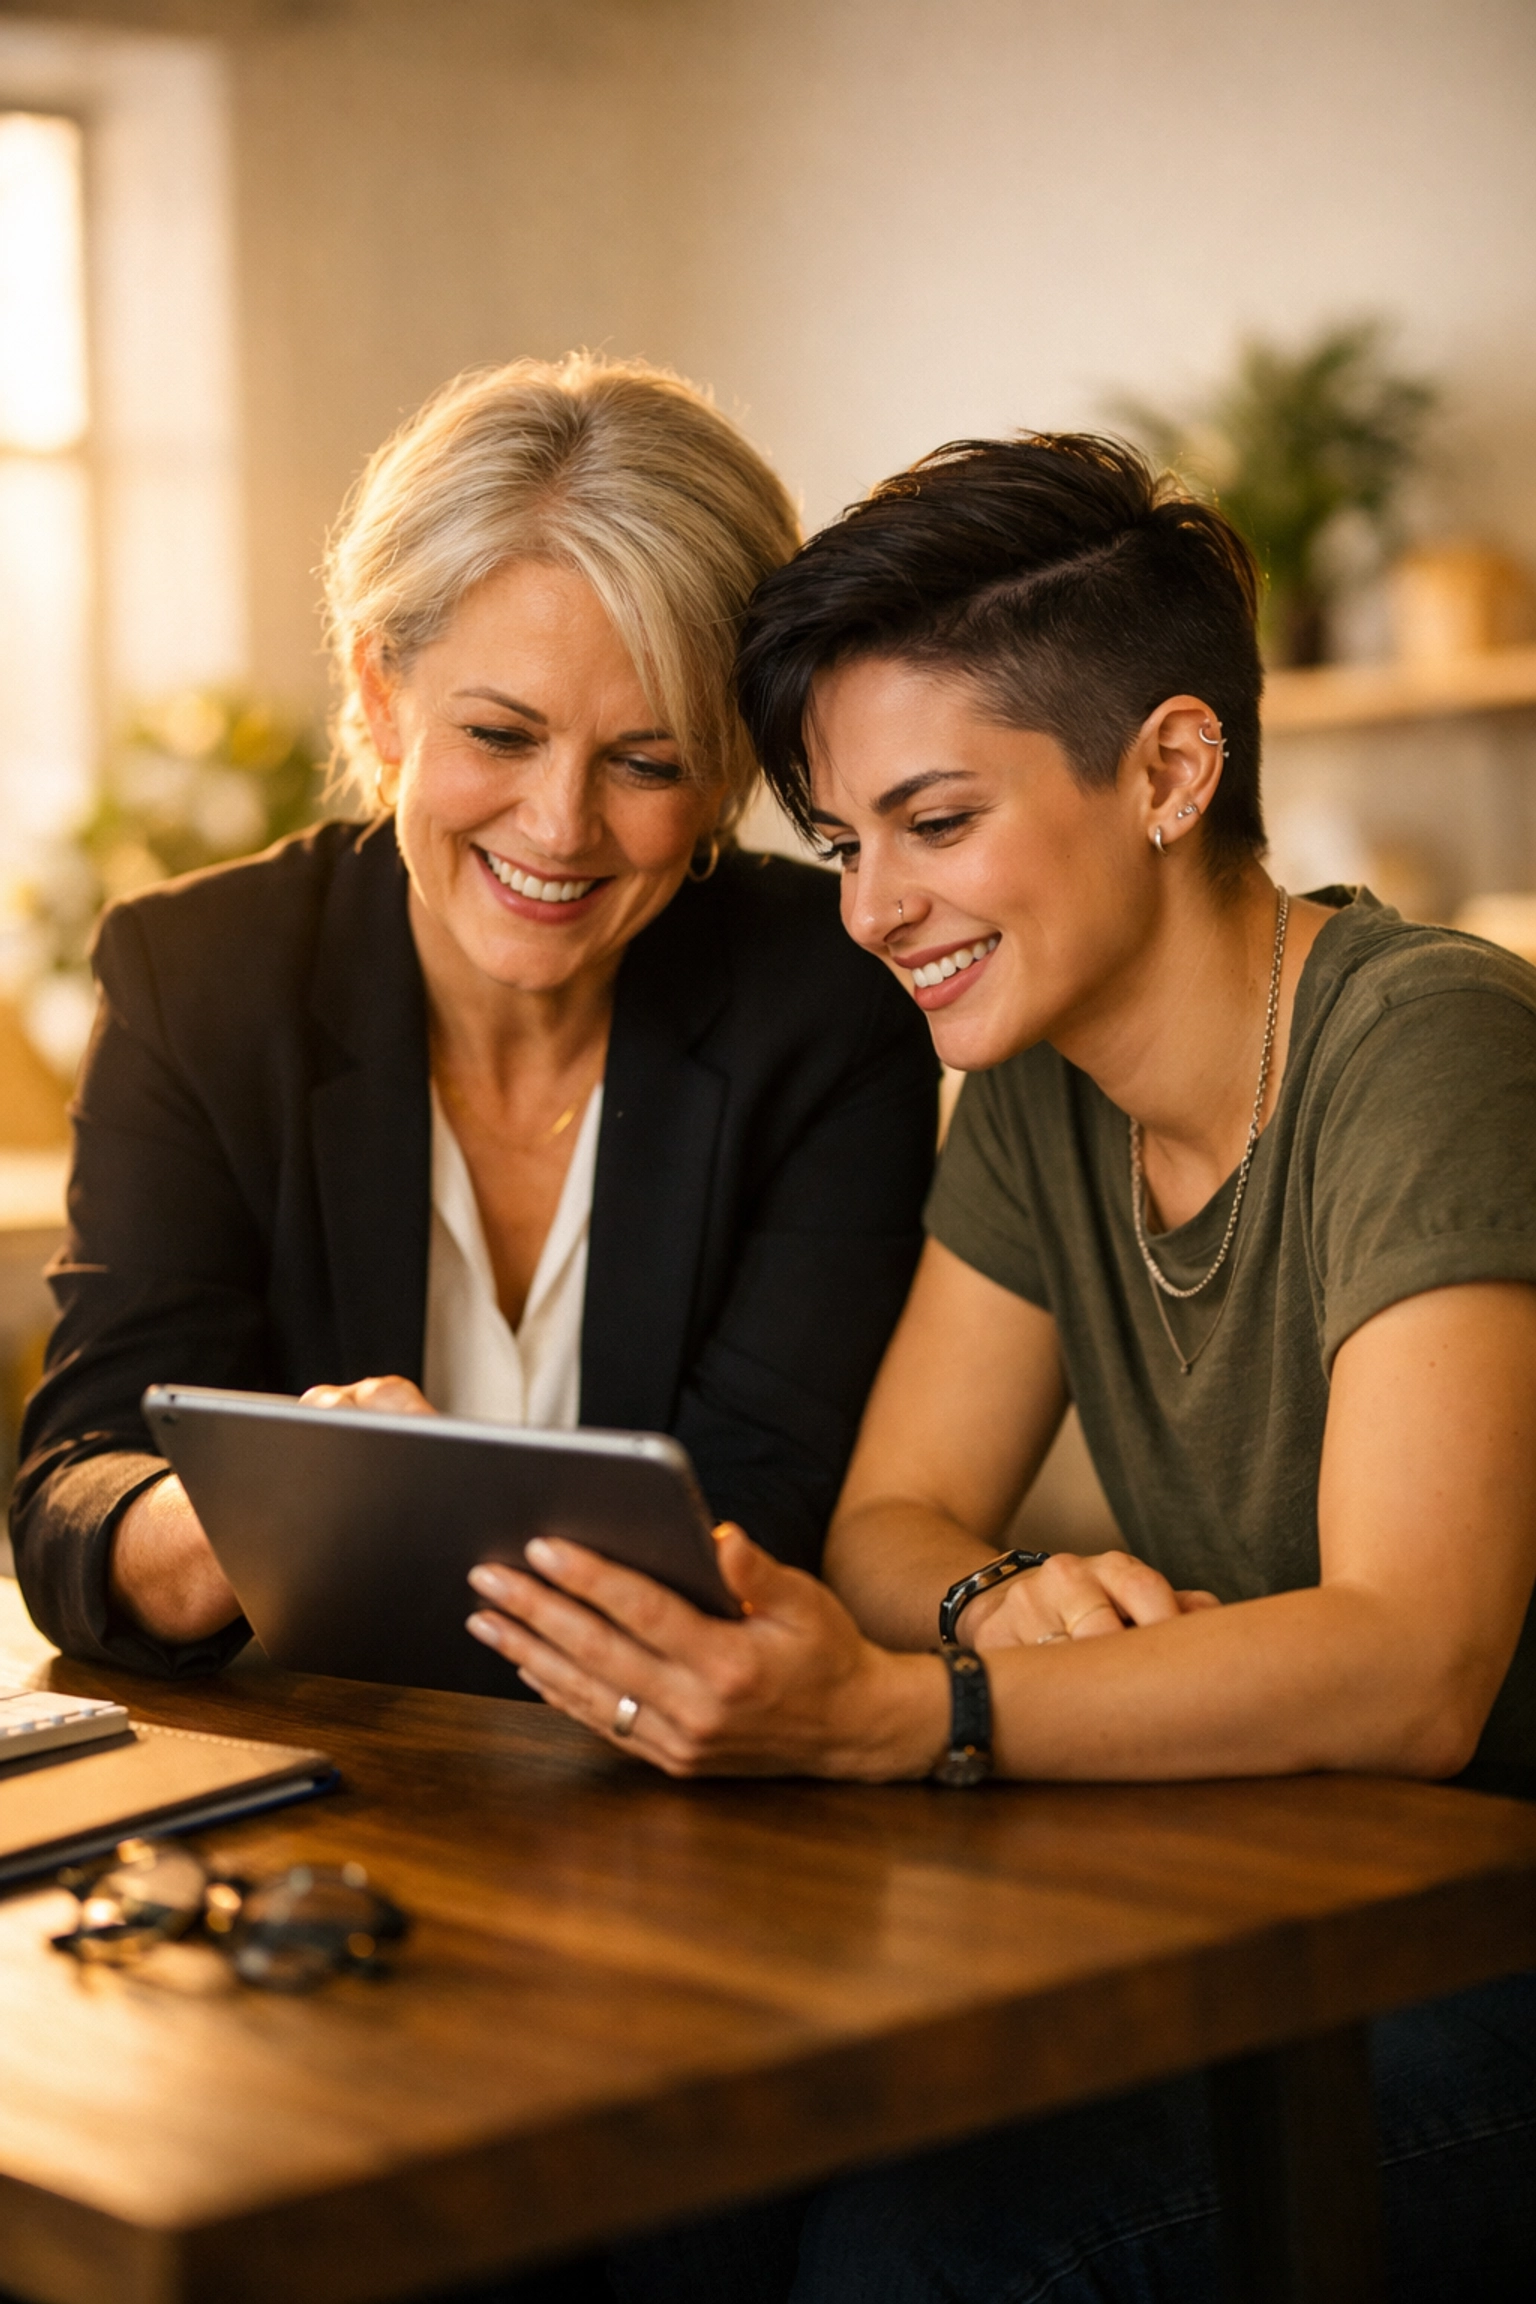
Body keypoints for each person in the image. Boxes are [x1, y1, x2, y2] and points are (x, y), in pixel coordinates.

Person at [460, 435, 1536, 2299]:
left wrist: (907, 1714)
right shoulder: (1042, 1093)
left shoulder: (1430, 1048)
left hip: (1483, 1930)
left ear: (1173, 772)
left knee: (928, 2254)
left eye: (936, 826)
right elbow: (895, 1513)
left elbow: (1411, 1666)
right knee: (682, 2179)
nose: (875, 911)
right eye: (847, 840)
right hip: (1278, 1900)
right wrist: (996, 1594)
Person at [10, 355, 937, 1674]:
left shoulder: (826, 1006)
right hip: (314, 1779)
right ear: (382, 694)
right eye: (501, 736)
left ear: (733, 766)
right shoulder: (201, 974)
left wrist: (386, 1530)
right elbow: (73, 1497)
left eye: (649, 761)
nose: (561, 828)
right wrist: (238, 1512)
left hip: (685, 1790)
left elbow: (767, 1515)